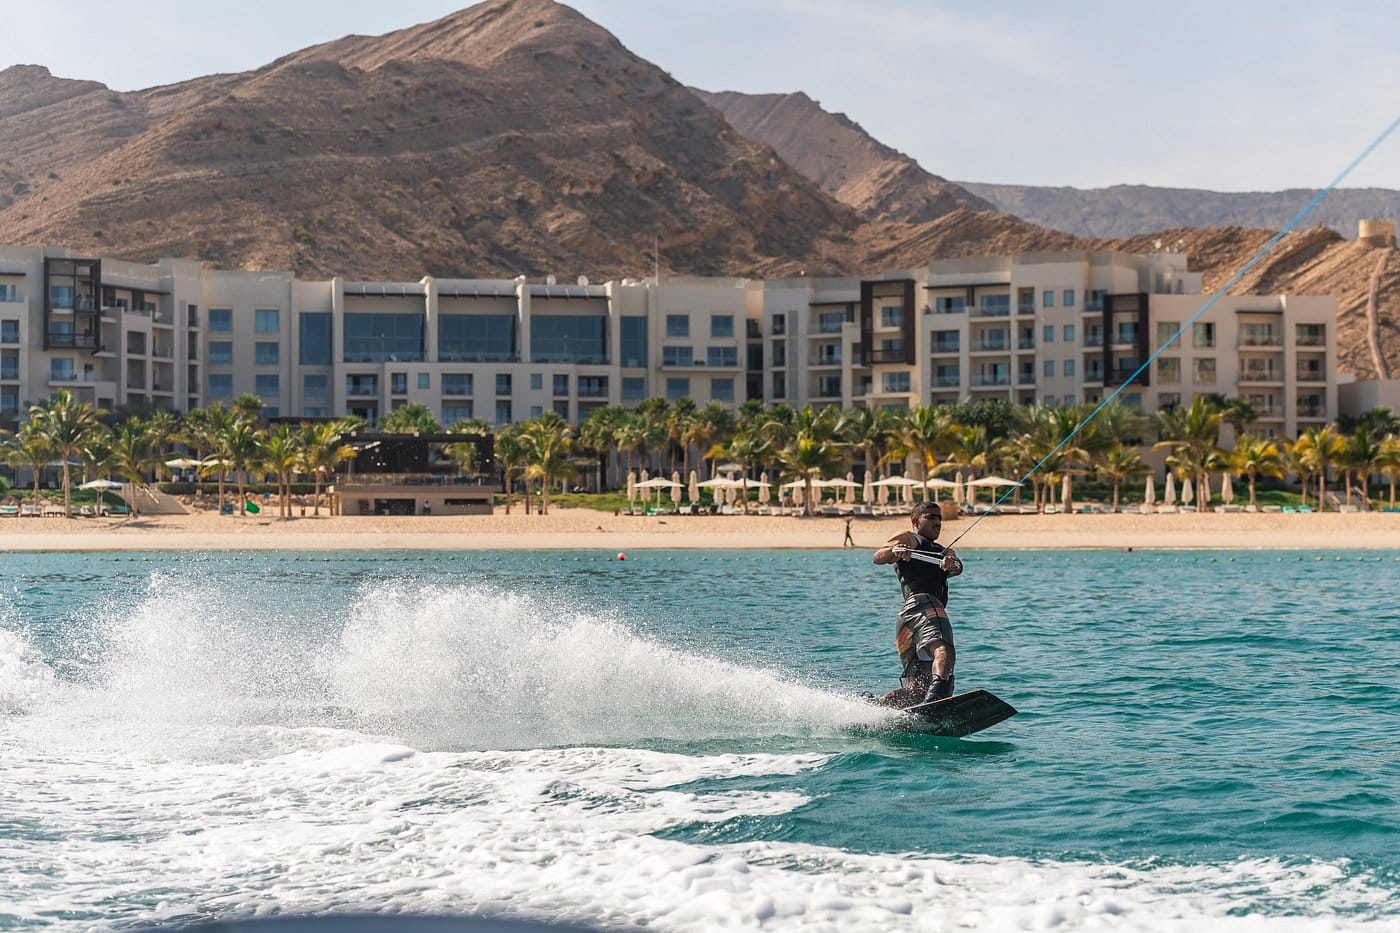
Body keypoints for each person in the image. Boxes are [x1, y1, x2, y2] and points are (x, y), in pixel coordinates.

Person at [872, 501, 964, 707]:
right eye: (931, 517)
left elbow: (957, 567)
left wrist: (951, 563)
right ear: (915, 521)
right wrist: (895, 551)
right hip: (924, 605)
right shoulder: (909, 538)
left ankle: (876, 710)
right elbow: (878, 557)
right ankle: (938, 698)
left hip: (908, 620)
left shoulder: (944, 551)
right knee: (944, 650)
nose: (937, 522)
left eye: (939, 518)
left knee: (917, 690)